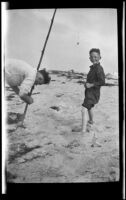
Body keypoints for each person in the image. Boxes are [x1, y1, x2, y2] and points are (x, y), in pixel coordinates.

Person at [81, 48, 105, 132]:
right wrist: (86, 84)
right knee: (89, 107)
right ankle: (91, 122)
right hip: (89, 92)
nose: (93, 58)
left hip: (94, 93)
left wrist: (90, 84)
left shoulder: (99, 68)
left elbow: (102, 81)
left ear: (100, 57)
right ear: (89, 58)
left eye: (96, 57)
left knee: (84, 109)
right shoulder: (92, 68)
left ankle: (83, 131)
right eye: (92, 57)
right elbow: (92, 80)